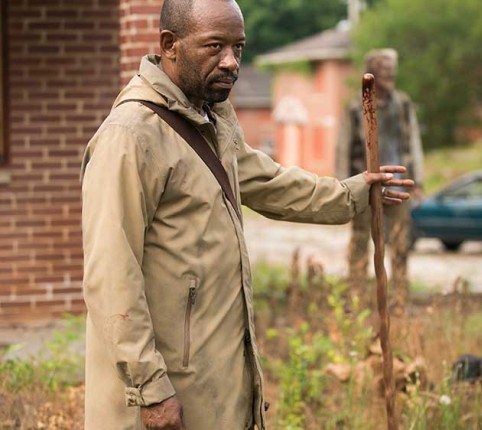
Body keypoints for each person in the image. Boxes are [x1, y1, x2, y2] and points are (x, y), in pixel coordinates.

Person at [80, 1, 413, 429]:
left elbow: (271, 182)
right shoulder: (130, 136)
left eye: (238, 47)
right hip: (162, 393)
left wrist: (354, 192)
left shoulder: (211, 120)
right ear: (170, 45)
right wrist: (150, 388)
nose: (231, 62)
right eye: (214, 46)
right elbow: (111, 275)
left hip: (211, 384)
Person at [335, 48, 425, 307]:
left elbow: (414, 142)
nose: (390, 74)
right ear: (372, 72)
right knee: (360, 241)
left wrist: (418, 181)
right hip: (364, 185)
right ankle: (356, 298)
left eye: (392, 70)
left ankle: (399, 299)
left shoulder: (403, 104)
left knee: (400, 243)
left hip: (397, 185)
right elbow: (342, 148)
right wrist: (342, 188)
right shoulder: (356, 106)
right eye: (385, 70)